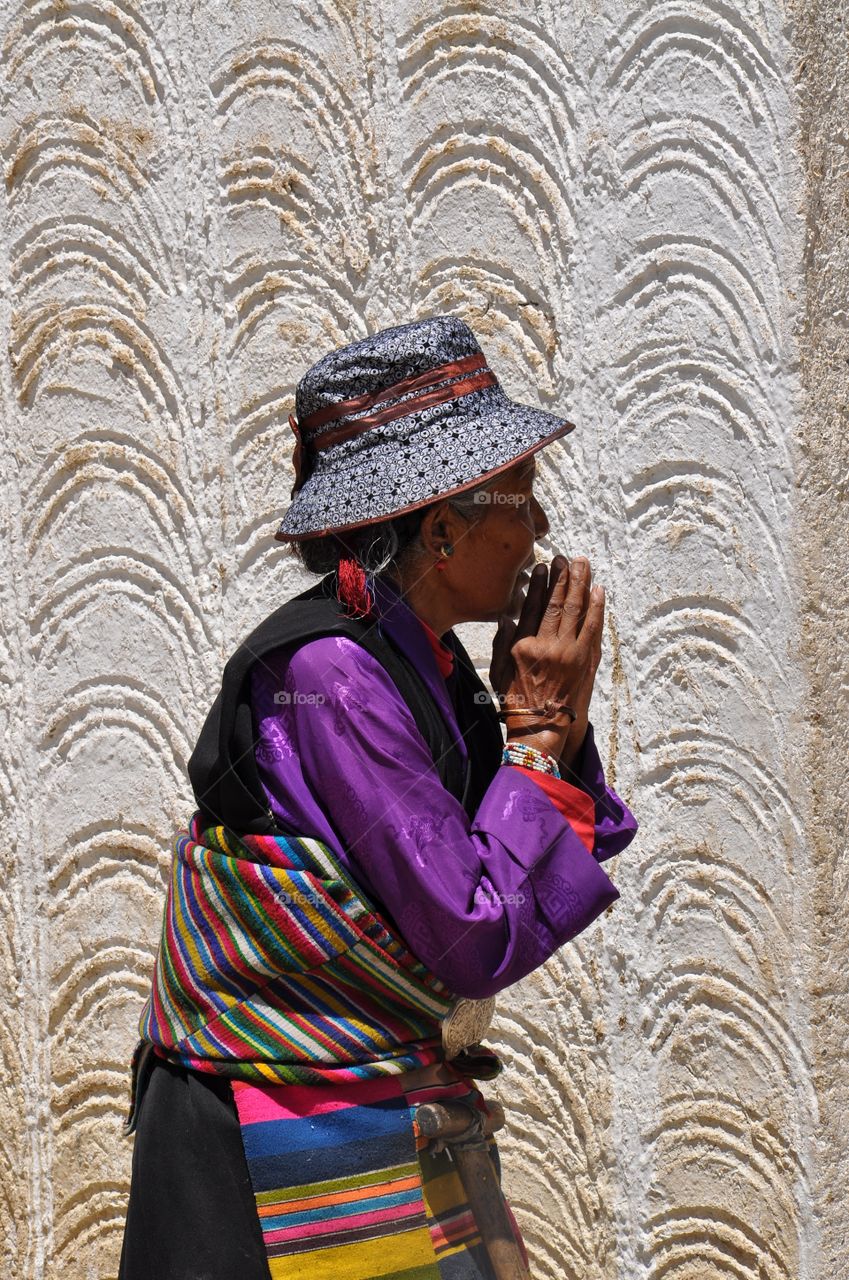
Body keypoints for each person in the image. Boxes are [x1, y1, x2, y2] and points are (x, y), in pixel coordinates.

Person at [118, 314, 637, 1280]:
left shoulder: (424, 663)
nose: (539, 531)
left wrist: (545, 722)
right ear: (441, 530)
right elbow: (471, 931)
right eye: (520, 500)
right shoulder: (331, 673)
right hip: (267, 1120)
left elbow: (540, 856)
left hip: (361, 1099)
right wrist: (533, 730)